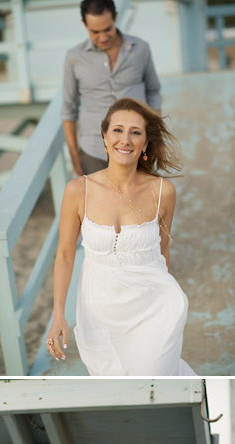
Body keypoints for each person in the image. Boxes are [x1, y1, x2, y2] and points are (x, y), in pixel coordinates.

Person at [47, 99, 196, 375]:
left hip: (154, 306)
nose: (125, 139)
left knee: (154, 381)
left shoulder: (163, 191)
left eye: (135, 132)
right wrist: (58, 316)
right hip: (98, 313)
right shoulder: (79, 190)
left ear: (145, 144)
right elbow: (65, 255)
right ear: (104, 137)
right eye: (117, 130)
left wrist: (164, 297)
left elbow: (163, 252)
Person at [62, 0, 161, 177]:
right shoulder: (74, 57)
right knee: (99, 204)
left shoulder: (141, 49)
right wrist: (74, 156)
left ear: (115, 18)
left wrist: (155, 141)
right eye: (95, 32)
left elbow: (153, 92)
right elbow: (68, 109)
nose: (103, 37)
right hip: (94, 151)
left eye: (107, 29)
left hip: (135, 147)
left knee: (137, 202)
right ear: (84, 24)